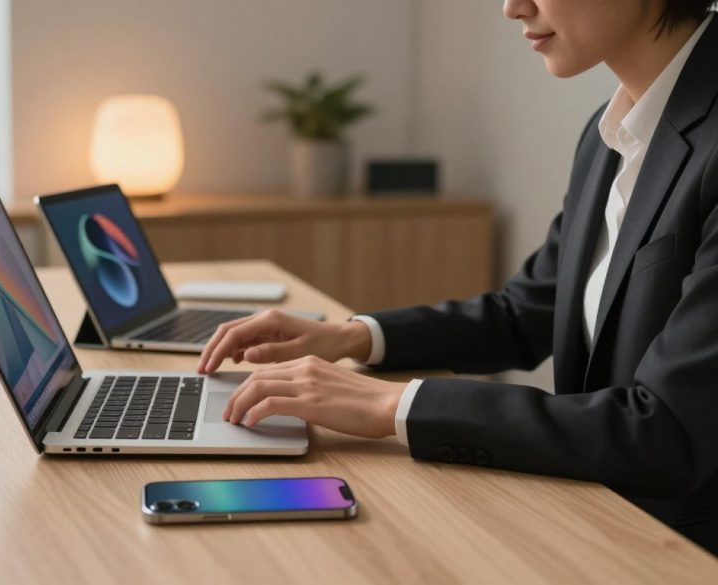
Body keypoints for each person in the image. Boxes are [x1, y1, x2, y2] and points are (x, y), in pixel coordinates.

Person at [198, 0, 718, 554]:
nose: (512, 8)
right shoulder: (610, 131)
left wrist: (391, 406)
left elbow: (667, 432)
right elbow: (527, 311)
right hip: (600, 519)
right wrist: (354, 337)